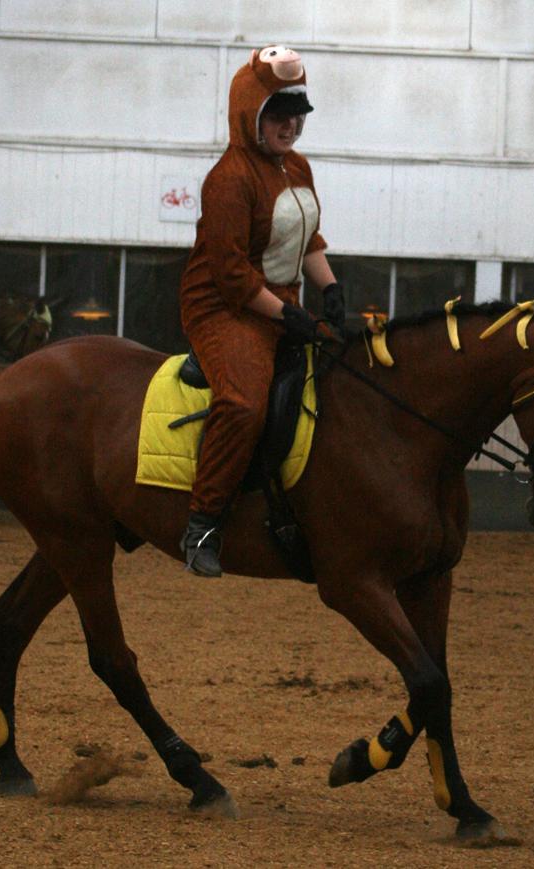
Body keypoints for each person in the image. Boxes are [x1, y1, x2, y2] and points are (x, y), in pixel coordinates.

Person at [178, 45, 346, 577]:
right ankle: (203, 522)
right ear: (250, 115)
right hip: (224, 309)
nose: (291, 124)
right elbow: (231, 274)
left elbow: (308, 237)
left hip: (281, 304)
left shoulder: (296, 166)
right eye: (278, 114)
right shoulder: (229, 179)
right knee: (245, 404)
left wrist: (331, 288)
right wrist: (286, 315)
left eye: (297, 114)